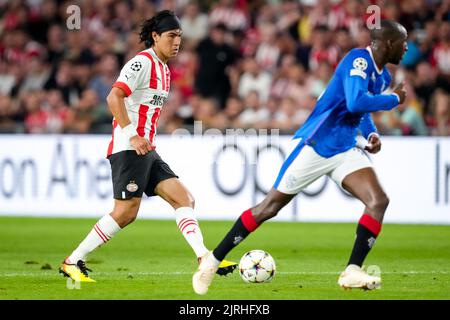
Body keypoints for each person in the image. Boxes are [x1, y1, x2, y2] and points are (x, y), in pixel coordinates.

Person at [193, 20, 408, 294]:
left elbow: (360, 112)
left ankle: (352, 270)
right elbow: (355, 101)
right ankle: (212, 261)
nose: (407, 48)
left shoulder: (383, 76)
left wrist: (370, 134)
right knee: (269, 207)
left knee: (378, 201)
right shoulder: (359, 60)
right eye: (404, 42)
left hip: (345, 147)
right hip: (316, 143)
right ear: (389, 43)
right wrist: (394, 101)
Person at [59, 10, 237, 283]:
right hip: (130, 146)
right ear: (155, 36)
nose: (177, 41)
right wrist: (132, 135)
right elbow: (113, 97)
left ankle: (204, 257)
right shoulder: (142, 62)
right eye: (171, 36)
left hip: (146, 148)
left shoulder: (165, 70)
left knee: (184, 198)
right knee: (126, 212)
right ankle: (72, 261)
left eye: (179, 36)